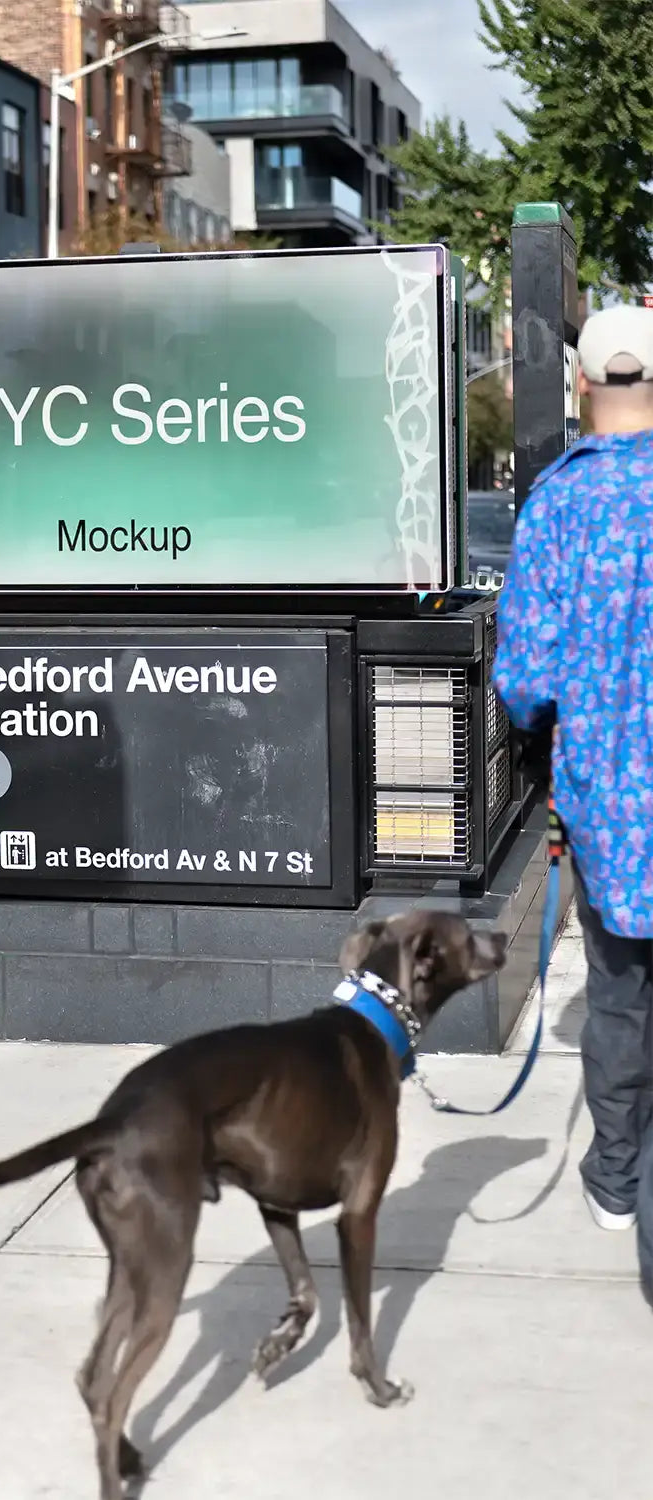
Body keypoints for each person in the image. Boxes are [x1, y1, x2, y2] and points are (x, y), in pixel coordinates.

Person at [493, 303, 653, 1308]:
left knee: (619, 992)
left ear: (584, 384)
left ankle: (616, 1178)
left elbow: (525, 677)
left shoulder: (559, 504)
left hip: (609, 802)